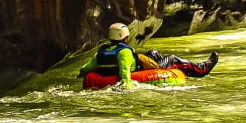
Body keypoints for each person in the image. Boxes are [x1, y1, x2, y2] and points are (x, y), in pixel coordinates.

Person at [81, 23, 217, 87]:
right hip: (143, 71)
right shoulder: (124, 53)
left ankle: (196, 69)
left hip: (132, 67)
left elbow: (85, 69)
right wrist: (127, 86)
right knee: (174, 59)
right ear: (125, 37)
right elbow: (124, 71)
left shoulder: (100, 53)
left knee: (153, 53)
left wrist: (84, 77)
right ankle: (202, 69)